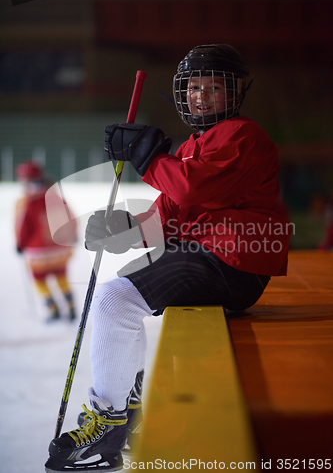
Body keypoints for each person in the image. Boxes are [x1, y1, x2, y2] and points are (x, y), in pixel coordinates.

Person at [45, 44, 291, 472]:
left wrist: (148, 157)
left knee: (113, 300)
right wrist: (125, 227)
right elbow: (173, 212)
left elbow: (195, 190)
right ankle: (128, 405)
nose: (200, 96)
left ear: (233, 94)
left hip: (233, 262)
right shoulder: (197, 144)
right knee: (122, 293)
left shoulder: (243, 136)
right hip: (208, 255)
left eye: (212, 88)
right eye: (193, 88)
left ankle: (109, 419)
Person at [15, 161, 77, 322]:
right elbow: (70, 216)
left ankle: (53, 309)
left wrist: (20, 244)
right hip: (59, 248)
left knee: (39, 279)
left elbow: (22, 225)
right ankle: (70, 307)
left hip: (39, 251)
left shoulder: (28, 200)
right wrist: (73, 234)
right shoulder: (54, 195)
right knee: (61, 276)